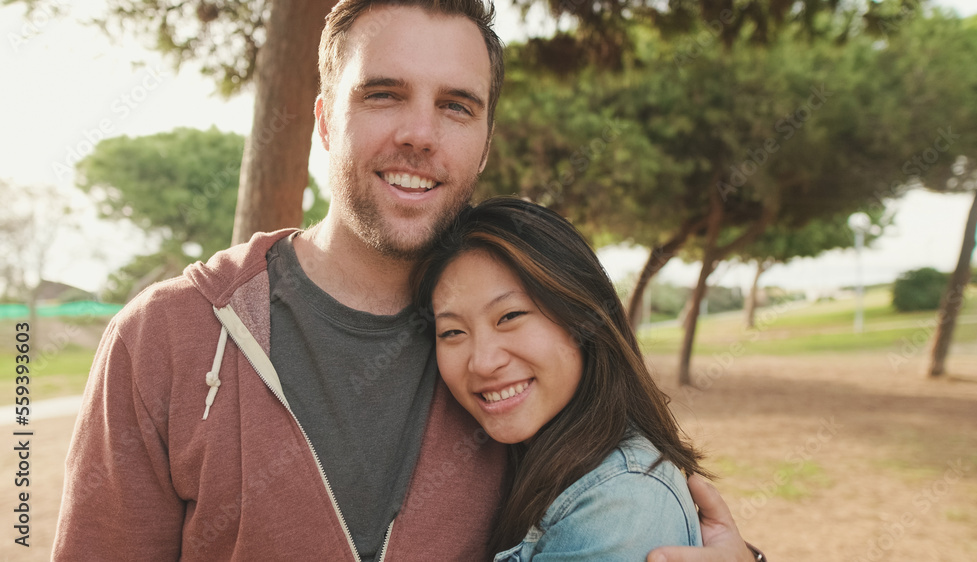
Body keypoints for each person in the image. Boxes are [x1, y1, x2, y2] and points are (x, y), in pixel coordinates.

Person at [53, 0, 761, 560]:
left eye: (456, 106)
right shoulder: (164, 340)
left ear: (484, 143)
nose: (420, 134)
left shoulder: (524, 355)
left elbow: (618, 508)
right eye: (385, 95)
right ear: (327, 122)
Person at [413, 197, 708, 559]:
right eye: (452, 332)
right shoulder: (528, 462)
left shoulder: (621, 502)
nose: (483, 363)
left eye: (510, 316)